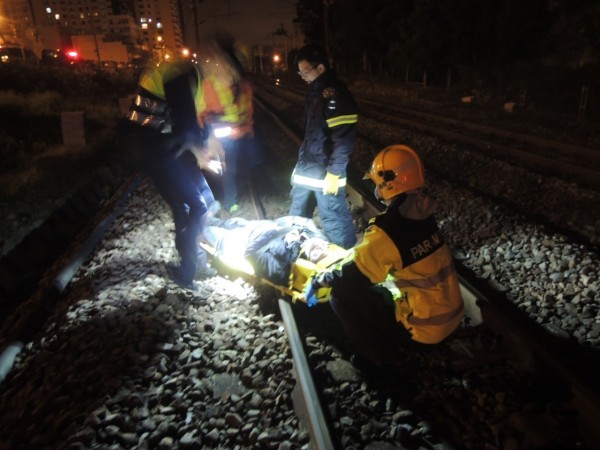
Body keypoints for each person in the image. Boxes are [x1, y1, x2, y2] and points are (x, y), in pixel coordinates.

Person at [303, 145, 464, 373]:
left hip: (423, 331)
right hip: (452, 318)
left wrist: (321, 280)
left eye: (378, 184)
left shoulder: (388, 230)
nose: (377, 191)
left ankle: (380, 358)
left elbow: (351, 277)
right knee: (383, 283)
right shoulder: (424, 213)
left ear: (388, 183)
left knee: (340, 296)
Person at [123, 56, 218, 289]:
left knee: (206, 200)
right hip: (155, 151)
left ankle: (198, 260)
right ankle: (187, 271)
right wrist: (203, 152)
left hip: (169, 146)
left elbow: (188, 123)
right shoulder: (179, 74)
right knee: (194, 206)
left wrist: (204, 144)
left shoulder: (188, 76)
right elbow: (186, 127)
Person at [289, 43, 358, 249]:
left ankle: (345, 263)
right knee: (297, 215)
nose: (303, 76)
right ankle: (295, 250)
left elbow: (344, 139)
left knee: (334, 218)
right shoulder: (315, 92)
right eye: (300, 72)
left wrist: (334, 173)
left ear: (321, 68)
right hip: (307, 166)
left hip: (326, 170)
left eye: (305, 71)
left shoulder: (336, 96)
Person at [201, 216, 349, 300]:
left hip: (241, 243)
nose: (321, 247)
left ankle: (196, 222)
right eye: (322, 246)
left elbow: (251, 254)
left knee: (211, 232)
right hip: (259, 229)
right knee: (234, 223)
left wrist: (278, 232)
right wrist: (294, 234)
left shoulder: (281, 270)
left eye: (317, 251)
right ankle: (206, 217)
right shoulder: (311, 240)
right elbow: (305, 222)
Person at [198, 34, 254, 215]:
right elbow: (204, 112)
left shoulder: (228, 83)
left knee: (228, 168)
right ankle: (230, 201)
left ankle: (229, 200)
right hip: (225, 135)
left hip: (231, 134)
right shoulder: (217, 83)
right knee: (228, 169)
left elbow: (246, 108)